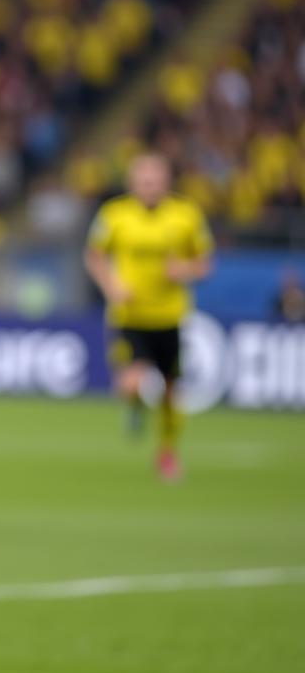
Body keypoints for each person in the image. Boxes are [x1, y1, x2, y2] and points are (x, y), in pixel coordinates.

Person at [84, 153, 214, 481]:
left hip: (169, 317)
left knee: (171, 392)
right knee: (132, 382)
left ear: (166, 182)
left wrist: (183, 269)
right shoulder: (115, 215)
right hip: (129, 315)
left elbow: (204, 263)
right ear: (132, 183)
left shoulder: (186, 215)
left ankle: (167, 453)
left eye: (155, 182)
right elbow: (94, 257)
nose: (149, 188)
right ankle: (135, 406)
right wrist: (111, 286)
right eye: (143, 182)